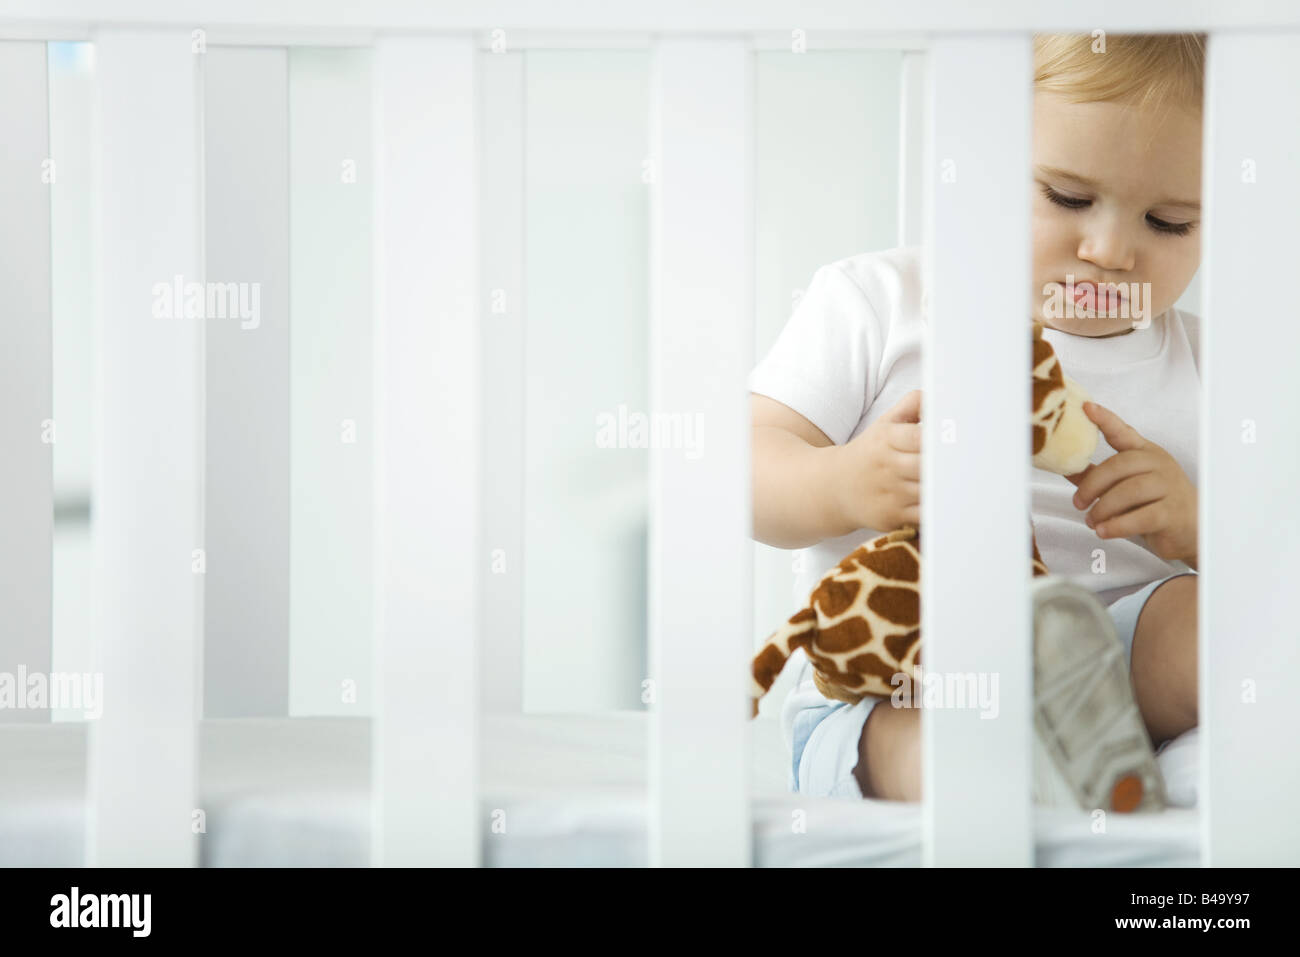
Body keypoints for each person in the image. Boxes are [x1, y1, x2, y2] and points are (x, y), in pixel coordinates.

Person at [750, 33, 1203, 803]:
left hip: (1117, 668)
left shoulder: (1211, 366)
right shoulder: (879, 302)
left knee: (1224, 630)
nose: (1111, 250)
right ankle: (1026, 777)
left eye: (1169, 221)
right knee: (940, 747)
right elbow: (744, 468)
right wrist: (842, 483)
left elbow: (1271, 559)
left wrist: (1198, 525)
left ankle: (1115, 770)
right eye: (1067, 198)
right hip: (903, 677)